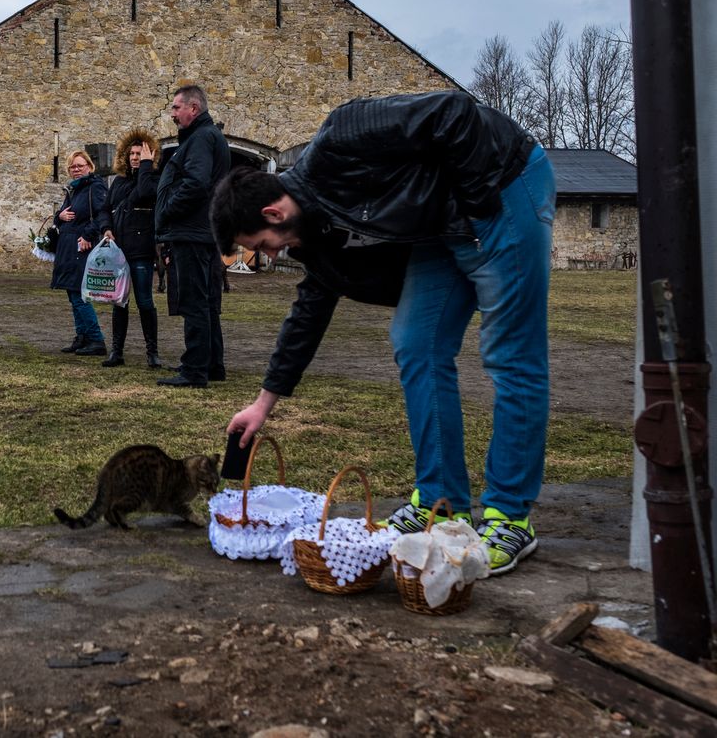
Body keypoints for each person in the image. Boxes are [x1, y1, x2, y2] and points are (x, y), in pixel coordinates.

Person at [212, 90, 553, 576]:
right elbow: (308, 313)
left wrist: (476, 205)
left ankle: (509, 514)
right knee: (415, 341)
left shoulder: (341, 136)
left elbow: (453, 112)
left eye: (260, 245)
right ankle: (441, 501)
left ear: (272, 214)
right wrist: (264, 403)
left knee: (510, 353)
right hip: (443, 227)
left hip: (501, 184)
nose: (267, 256)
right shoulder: (316, 235)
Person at [154, 84, 231, 388]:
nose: (172, 114)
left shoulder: (200, 138)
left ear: (193, 108)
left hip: (193, 232)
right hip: (203, 232)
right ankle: (212, 365)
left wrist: (169, 209)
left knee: (195, 301)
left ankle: (194, 369)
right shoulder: (208, 137)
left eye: (176, 107)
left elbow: (196, 183)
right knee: (208, 300)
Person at [100, 127, 163, 369]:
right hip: (119, 251)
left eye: (140, 154)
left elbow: (145, 192)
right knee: (119, 302)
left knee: (145, 302)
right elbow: (106, 209)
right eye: (132, 154)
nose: (135, 158)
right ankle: (117, 351)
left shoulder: (154, 180)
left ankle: (152, 353)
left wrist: (147, 167)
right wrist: (106, 228)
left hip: (141, 251)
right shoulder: (118, 183)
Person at [50, 149, 108, 356]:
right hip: (67, 245)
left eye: (80, 166)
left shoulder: (95, 187)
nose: (76, 169)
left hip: (81, 246)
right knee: (72, 293)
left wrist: (88, 236)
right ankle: (82, 336)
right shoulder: (73, 190)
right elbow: (61, 216)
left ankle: (96, 339)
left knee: (80, 295)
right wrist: (59, 216)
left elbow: (102, 214)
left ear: (89, 167)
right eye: (73, 166)